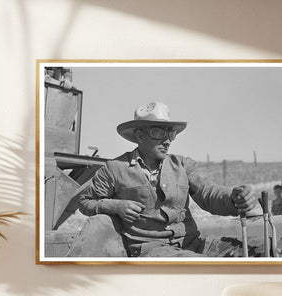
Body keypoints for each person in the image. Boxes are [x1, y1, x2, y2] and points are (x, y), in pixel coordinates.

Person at [78, 102, 257, 257]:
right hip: (151, 250)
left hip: (192, 243)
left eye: (170, 134)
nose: (167, 141)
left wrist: (234, 198)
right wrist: (114, 206)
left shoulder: (182, 165)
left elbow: (208, 193)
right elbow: (85, 201)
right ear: (140, 136)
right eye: (159, 133)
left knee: (256, 251)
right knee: (200, 266)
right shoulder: (115, 168)